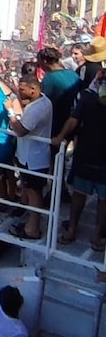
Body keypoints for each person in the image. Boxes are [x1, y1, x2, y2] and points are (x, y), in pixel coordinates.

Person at [55, 69, 106, 250]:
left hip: (91, 156)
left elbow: (72, 121)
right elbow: (73, 121)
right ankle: (78, 230)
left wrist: (60, 136)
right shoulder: (86, 99)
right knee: (84, 196)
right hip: (86, 155)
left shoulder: (86, 98)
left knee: (99, 199)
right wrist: (61, 136)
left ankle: (92, 234)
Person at [5, 74, 52, 241]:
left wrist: (10, 111)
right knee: (31, 190)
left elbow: (20, 130)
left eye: (22, 89)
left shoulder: (38, 108)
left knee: (34, 192)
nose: (20, 92)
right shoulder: (42, 101)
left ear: (33, 90)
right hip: (29, 156)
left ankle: (33, 229)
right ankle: (30, 223)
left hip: (34, 159)